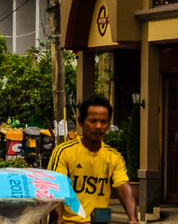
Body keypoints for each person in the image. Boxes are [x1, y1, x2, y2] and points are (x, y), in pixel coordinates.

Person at [48, 95, 135, 224]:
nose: (98, 126)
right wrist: (58, 220)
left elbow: (123, 187)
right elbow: (55, 188)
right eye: (93, 121)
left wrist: (133, 219)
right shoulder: (64, 152)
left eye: (103, 122)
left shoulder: (114, 157)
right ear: (80, 122)